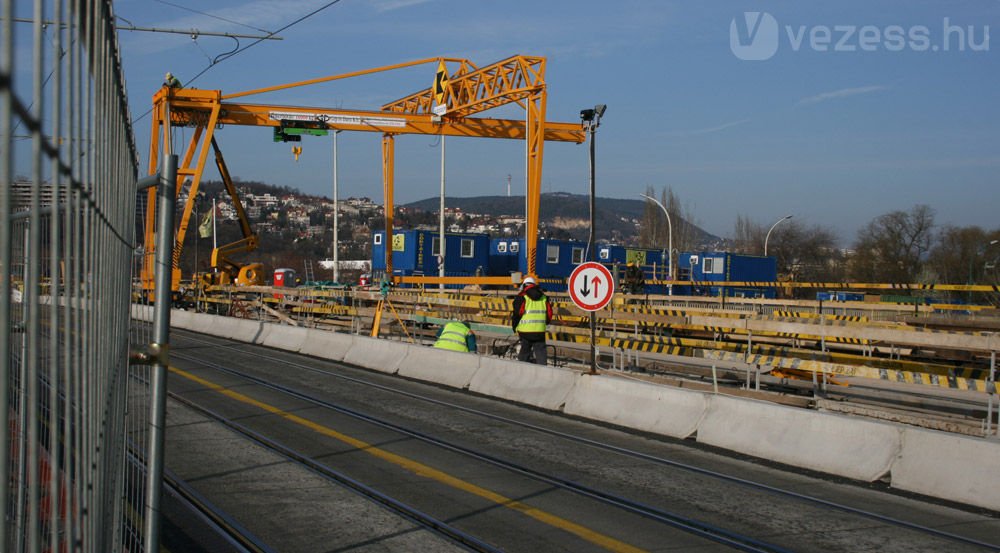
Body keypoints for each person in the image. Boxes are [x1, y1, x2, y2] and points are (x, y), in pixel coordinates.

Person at [511, 276, 552, 365]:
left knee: (524, 352)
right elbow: (549, 314)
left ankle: (522, 370)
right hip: (539, 331)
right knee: (541, 353)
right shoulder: (544, 297)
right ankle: (544, 371)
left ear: (524, 285)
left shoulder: (522, 297)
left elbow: (517, 314)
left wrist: (514, 327)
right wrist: (544, 323)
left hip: (525, 331)